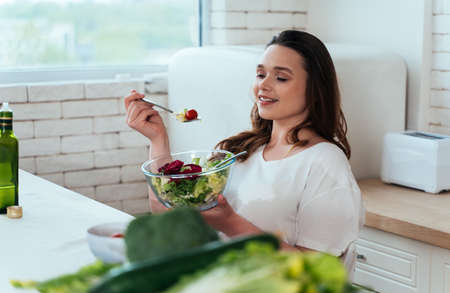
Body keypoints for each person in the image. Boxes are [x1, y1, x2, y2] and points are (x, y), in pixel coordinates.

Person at [124, 30, 365, 275]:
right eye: (261, 74)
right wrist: (158, 139)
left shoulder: (324, 162)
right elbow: (168, 211)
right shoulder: (239, 152)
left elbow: (318, 274)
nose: (264, 85)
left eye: (281, 78)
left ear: (314, 89)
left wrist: (231, 223)